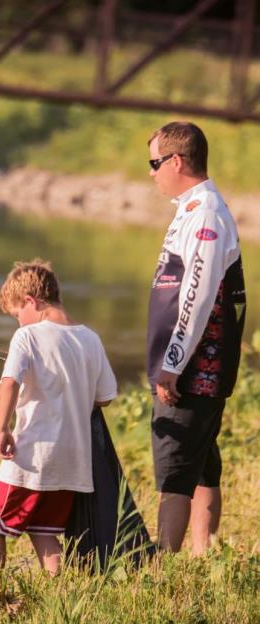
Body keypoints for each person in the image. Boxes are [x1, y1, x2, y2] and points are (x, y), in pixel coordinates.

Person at [0, 260, 117, 574]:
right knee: (45, 533)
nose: (18, 324)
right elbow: (105, 396)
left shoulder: (27, 337)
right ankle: (58, 603)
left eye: (17, 315)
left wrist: (1, 429)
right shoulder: (90, 338)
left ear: (31, 301)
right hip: (73, 461)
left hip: (33, 455)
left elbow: (9, 382)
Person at [146, 121, 246, 554]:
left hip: (194, 367)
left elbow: (198, 294)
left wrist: (172, 364)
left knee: (175, 467)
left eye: (154, 163)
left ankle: (161, 568)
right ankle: (205, 557)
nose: (151, 173)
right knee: (202, 461)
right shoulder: (192, 208)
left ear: (176, 161)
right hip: (191, 362)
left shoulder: (205, 213)